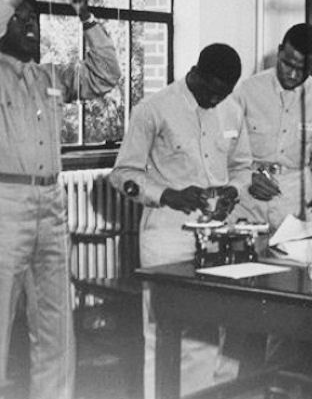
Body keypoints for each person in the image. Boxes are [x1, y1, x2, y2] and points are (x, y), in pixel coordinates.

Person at [0, 0, 122, 399]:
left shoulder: (48, 76)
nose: (32, 25)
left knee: (56, 323)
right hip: (4, 205)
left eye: (35, 19)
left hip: (51, 206)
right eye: (22, 18)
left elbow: (105, 75)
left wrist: (85, 16)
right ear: (4, 26)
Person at [109, 43, 252, 398]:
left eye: (224, 93)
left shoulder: (232, 110)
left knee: (211, 330)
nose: (214, 100)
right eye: (211, 90)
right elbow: (123, 174)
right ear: (196, 73)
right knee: (163, 330)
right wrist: (169, 194)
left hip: (216, 234)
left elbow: (243, 167)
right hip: (167, 232)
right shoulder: (155, 109)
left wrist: (233, 191)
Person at [233, 23, 312, 230]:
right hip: (248, 202)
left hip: (296, 204)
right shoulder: (247, 91)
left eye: (301, 69)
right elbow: (227, 151)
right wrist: (248, 178)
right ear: (280, 51)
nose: (292, 75)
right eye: (287, 64)